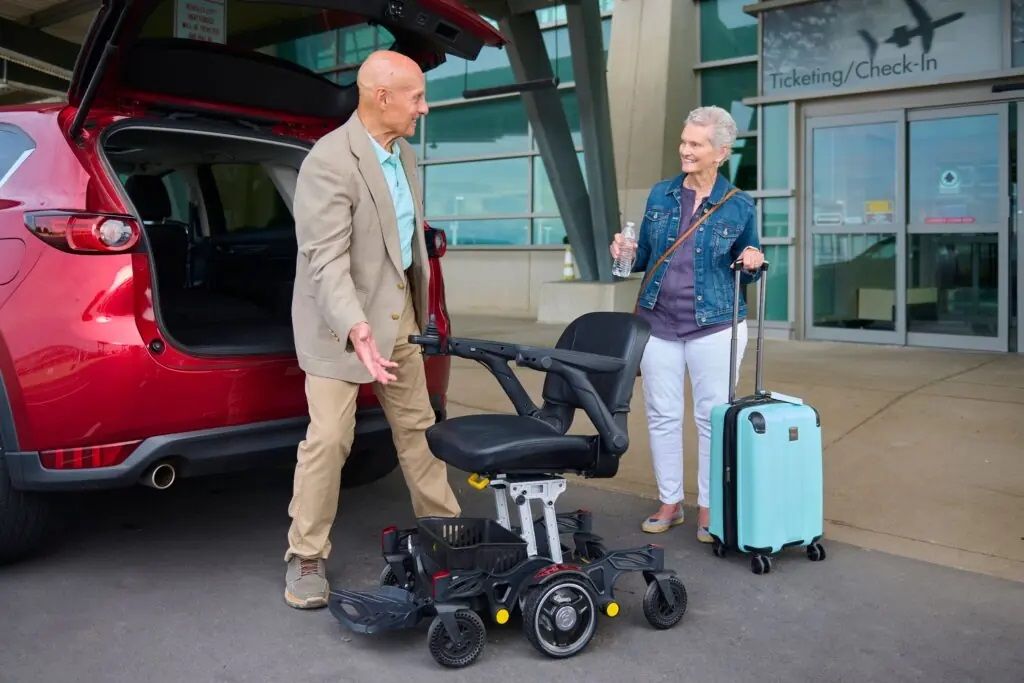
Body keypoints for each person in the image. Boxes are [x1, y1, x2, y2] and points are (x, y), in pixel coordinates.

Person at [283, 50, 460, 609]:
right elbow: (326, 259)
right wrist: (357, 326)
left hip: (397, 321)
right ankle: (306, 555)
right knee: (330, 440)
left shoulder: (402, 153)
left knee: (418, 428)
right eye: (416, 97)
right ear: (381, 97)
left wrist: (418, 313)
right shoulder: (329, 161)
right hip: (341, 327)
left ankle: (446, 531)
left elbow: (404, 243)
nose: (424, 108)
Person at [610, 105, 764, 543]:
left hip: (715, 324)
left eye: (695, 144)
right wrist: (623, 249)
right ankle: (670, 501)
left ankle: (709, 506)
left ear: (720, 152)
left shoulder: (739, 205)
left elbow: (748, 262)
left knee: (711, 417)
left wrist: (752, 260)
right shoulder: (661, 194)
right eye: (683, 141)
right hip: (659, 321)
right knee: (662, 414)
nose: (685, 150)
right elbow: (640, 260)